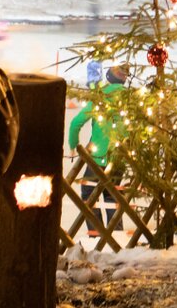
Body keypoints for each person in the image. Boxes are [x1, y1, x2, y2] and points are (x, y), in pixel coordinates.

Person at [67, 63, 126, 239]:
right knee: (113, 194)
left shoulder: (100, 99)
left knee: (88, 194)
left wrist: (74, 145)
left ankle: (95, 234)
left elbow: (75, 123)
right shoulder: (130, 100)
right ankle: (117, 236)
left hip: (97, 157)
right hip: (120, 157)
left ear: (108, 78)